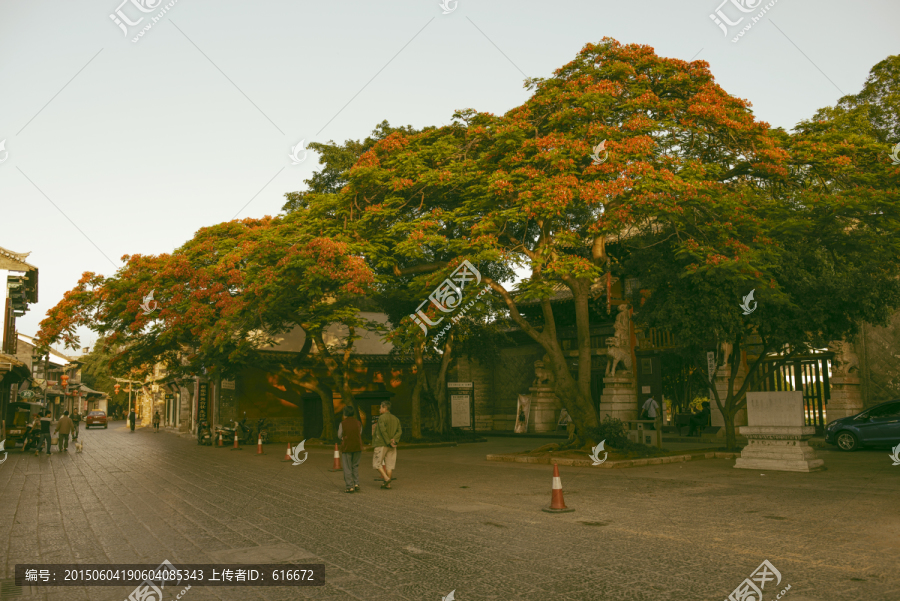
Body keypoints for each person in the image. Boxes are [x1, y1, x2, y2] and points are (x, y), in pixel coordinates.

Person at [372, 401, 402, 490]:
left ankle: (386, 478)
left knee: (377, 463)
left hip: (381, 443)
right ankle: (388, 484)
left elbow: (383, 431)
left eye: (380, 407)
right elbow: (399, 431)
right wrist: (394, 440)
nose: (379, 409)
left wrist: (388, 441)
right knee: (389, 465)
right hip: (392, 445)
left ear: (385, 408)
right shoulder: (396, 419)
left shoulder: (382, 418)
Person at [338, 406, 364, 493]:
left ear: (345, 414)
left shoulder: (343, 423)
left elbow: (339, 435)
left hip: (347, 447)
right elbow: (360, 433)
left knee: (347, 467)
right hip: (357, 447)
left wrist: (343, 438)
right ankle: (356, 484)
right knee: (355, 466)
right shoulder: (358, 423)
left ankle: (349, 486)